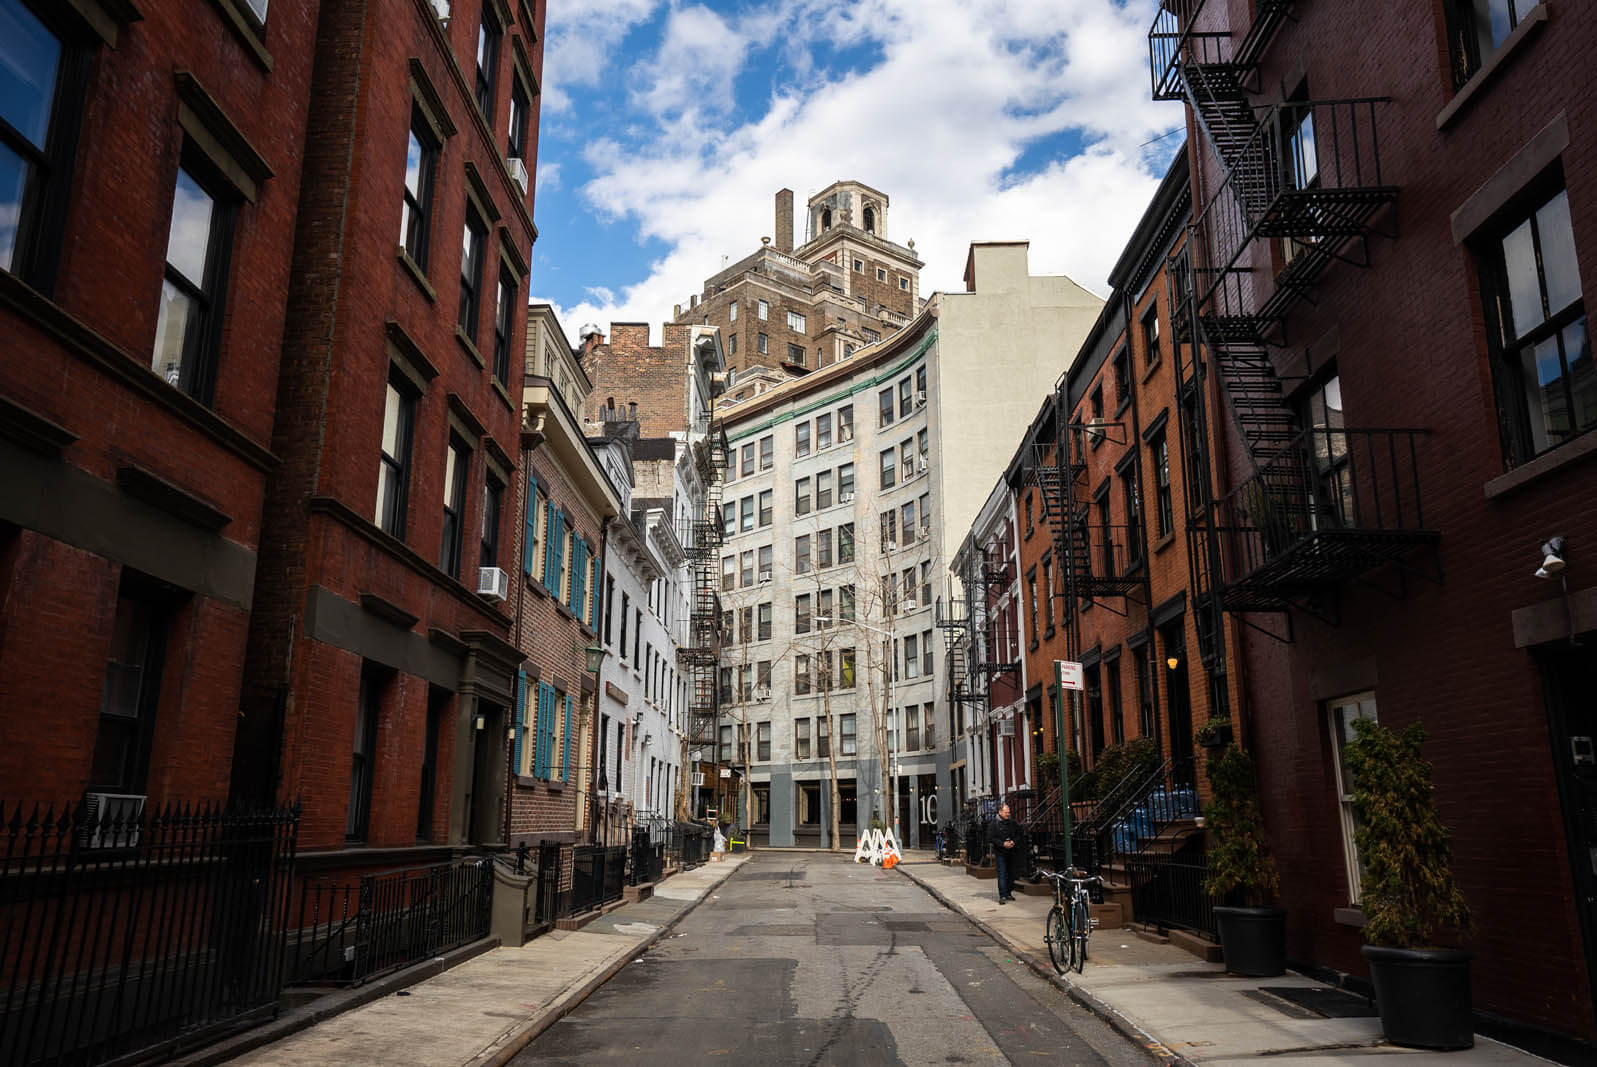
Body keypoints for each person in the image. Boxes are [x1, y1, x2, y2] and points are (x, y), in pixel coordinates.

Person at [988, 802, 1022, 903]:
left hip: (1012, 851)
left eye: (1009, 812)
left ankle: (1008, 893)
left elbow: (1019, 834)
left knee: (1012, 873)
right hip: (1000, 852)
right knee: (1002, 873)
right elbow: (990, 838)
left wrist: (1013, 842)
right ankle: (1002, 895)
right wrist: (1002, 844)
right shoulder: (994, 824)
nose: (1008, 814)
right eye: (1006, 812)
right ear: (1000, 812)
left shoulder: (1012, 823)